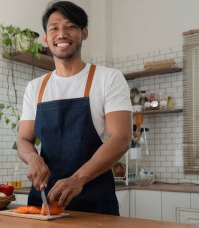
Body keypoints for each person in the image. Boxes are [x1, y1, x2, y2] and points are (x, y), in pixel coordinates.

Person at [17, 1, 132, 215]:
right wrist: (33, 158)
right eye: (54, 28)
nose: (62, 33)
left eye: (70, 27)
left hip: (95, 203)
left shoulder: (108, 79)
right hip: (44, 203)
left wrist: (78, 179)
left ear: (84, 33)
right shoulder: (36, 88)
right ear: (46, 37)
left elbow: (122, 137)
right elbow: (24, 139)